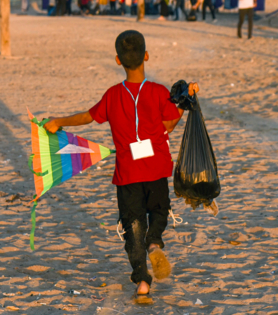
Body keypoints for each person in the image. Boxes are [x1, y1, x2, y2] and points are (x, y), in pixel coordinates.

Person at [43, 30, 199, 296]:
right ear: (146, 56)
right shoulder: (159, 92)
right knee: (159, 211)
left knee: (132, 225)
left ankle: (142, 281)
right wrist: (185, 100)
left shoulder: (112, 95)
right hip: (157, 168)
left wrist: (58, 121)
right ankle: (155, 243)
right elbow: (170, 125)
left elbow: (88, 117)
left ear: (118, 60)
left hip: (127, 173)